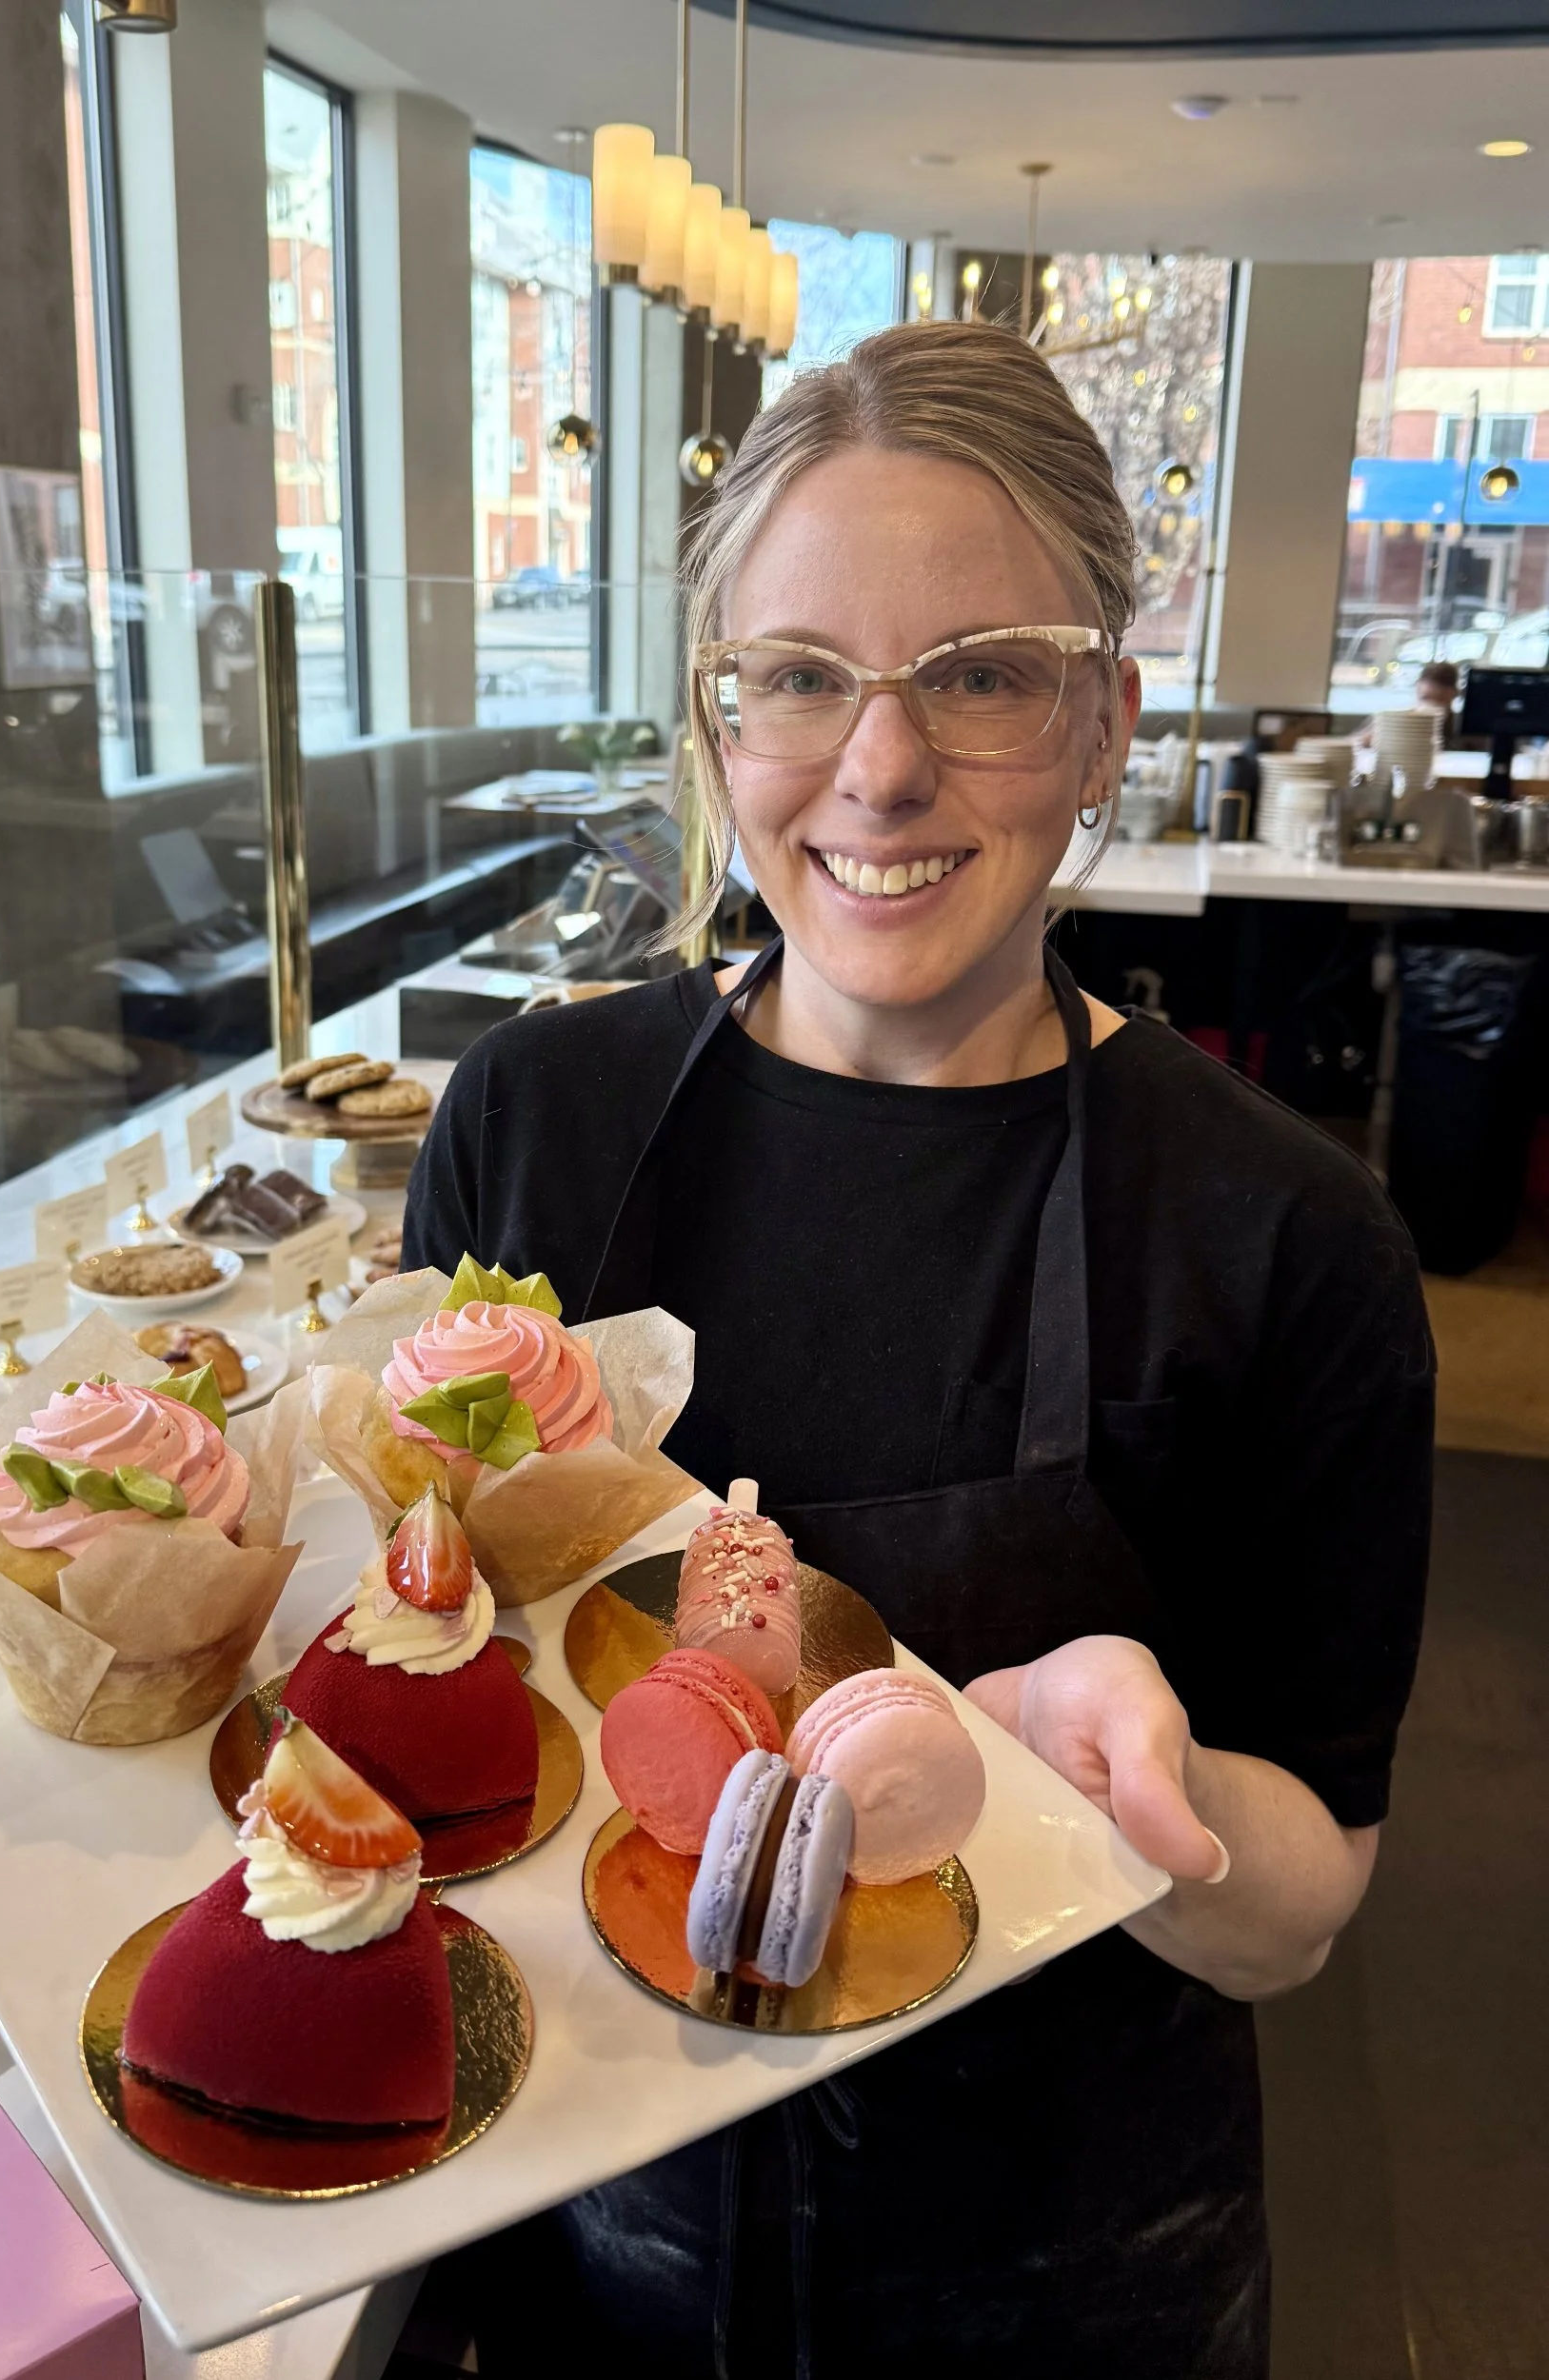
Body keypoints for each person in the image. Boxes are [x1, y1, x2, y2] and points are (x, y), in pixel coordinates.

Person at [407, 321, 1433, 2379]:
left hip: (1061, 2250)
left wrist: (1110, 1788)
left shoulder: (1283, 1233)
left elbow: (1299, 1901)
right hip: (583, 2212)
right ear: (718, 725)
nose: (878, 769)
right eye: (796, 674)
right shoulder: (531, 1123)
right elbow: (444, 1679)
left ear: (1100, 722)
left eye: (978, 673)